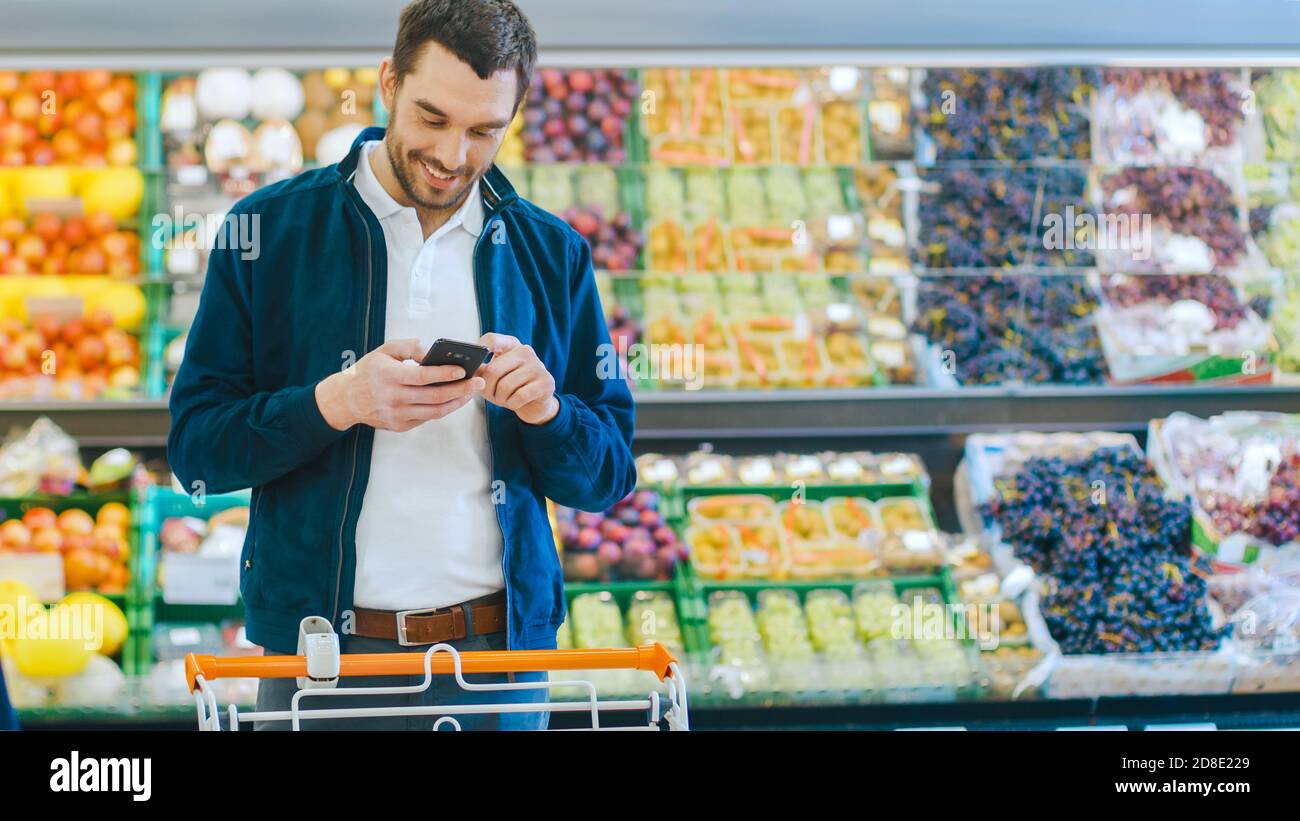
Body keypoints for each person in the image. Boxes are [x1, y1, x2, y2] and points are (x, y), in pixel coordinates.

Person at [167, 0, 636, 730]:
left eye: (485, 130)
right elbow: (198, 450)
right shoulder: (270, 231)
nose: (452, 156)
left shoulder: (553, 253)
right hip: (321, 664)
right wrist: (338, 401)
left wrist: (549, 413)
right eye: (432, 118)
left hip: (498, 666)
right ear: (388, 82)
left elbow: (607, 475)